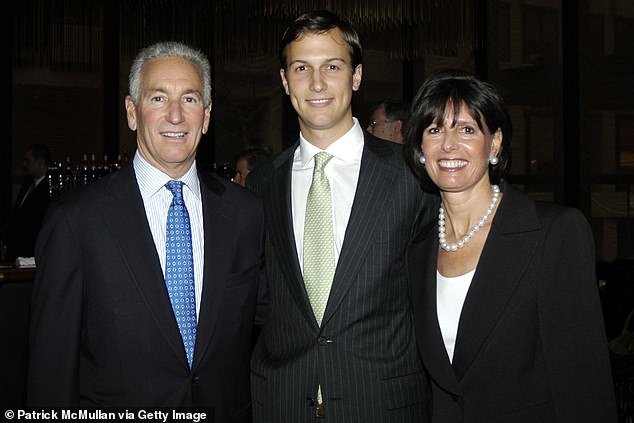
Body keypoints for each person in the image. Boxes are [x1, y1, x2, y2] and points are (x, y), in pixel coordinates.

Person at [28, 41, 265, 423]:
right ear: (132, 112)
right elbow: (51, 369)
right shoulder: (76, 221)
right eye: (158, 97)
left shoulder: (246, 213)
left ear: (205, 117)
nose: (175, 115)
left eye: (189, 99)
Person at [247, 10, 437, 422]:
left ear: (356, 76)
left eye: (332, 66)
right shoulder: (261, 184)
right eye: (302, 68)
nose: (317, 84)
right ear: (285, 81)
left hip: (382, 406)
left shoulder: (412, 176)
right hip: (280, 404)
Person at [404, 69, 617, 422]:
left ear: (496, 143)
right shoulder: (419, 250)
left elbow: (584, 382)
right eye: (435, 129)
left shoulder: (554, 233)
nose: (449, 144)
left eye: (467, 129)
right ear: (420, 148)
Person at [4, 144, 51, 261]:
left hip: (31, 254)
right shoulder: (28, 184)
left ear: (40, 162)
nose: (24, 165)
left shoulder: (49, 188)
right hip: (16, 252)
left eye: (28, 161)